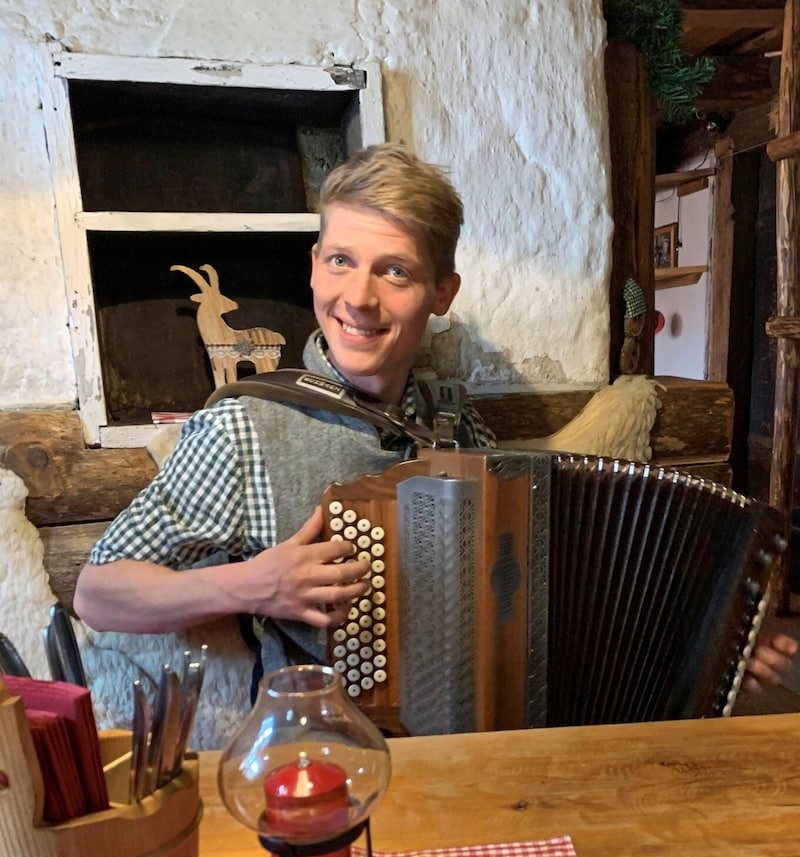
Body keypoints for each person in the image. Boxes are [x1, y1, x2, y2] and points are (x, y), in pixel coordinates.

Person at [74, 143, 796, 702]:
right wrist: (249, 585)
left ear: (442, 293)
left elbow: (547, 592)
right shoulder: (245, 429)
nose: (357, 298)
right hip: (328, 756)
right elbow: (98, 593)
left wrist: (712, 647)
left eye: (395, 272)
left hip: (481, 741)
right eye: (341, 261)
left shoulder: (455, 427)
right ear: (315, 268)